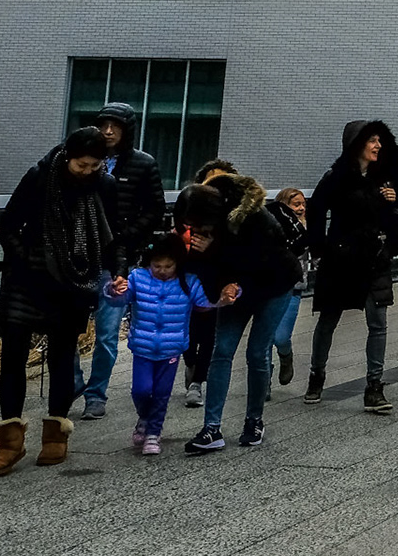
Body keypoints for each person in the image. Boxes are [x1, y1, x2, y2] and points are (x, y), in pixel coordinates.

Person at [0, 128, 124, 478]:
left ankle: (55, 434)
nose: (86, 171)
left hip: (74, 280)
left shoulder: (104, 186)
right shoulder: (40, 176)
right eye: (81, 165)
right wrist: (25, 260)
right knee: (13, 355)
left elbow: (114, 235)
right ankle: (9, 441)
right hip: (29, 277)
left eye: (94, 165)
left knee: (62, 355)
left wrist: (118, 271)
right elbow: (8, 225)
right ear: (68, 156)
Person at [177, 166, 301, 453]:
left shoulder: (254, 216)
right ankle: (211, 427)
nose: (195, 230)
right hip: (234, 286)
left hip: (274, 284)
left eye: (199, 225)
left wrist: (216, 253)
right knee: (222, 350)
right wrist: (219, 284)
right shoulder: (197, 219)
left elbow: (261, 260)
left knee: (257, 351)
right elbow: (201, 265)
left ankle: (254, 420)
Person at [65, 101, 165, 421]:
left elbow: (155, 209)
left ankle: (96, 394)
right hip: (78, 257)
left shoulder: (143, 164)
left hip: (117, 259)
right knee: (65, 327)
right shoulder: (80, 159)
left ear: (127, 131)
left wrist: (128, 236)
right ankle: (73, 381)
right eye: (104, 125)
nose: (108, 132)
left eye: (116, 127)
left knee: (107, 333)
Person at [304, 120, 398, 414]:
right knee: (328, 319)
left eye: (379, 141)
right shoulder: (336, 178)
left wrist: (393, 206)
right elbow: (316, 210)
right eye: (372, 140)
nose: (378, 146)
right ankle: (317, 375)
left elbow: (393, 218)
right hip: (341, 258)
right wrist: (320, 248)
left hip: (375, 258)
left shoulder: (384, 180)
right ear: (357, 144)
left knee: (378, 322)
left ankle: (374, 386)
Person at [124, 233, 219, 455]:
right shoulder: (138, 278)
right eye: (157, 266)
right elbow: (121, 298)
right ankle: (145, 417)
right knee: (140, 390)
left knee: (161, 393)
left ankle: (153, 433)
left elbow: (205, 303)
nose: (162, 270)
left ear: (178, 263)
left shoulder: (188, 282)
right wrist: (113, 290)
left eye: (168, 266)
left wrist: (224, 297)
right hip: (143, 347)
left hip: (171, 348)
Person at [179, 157, 238, 408]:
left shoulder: (234, 214)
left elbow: (237, 252)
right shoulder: (188, 205)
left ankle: (197, 382)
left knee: (208, 333)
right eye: (210, 179)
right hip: (187, 276)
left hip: (215, 279)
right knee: (187, 331)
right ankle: (190, 362)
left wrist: (213, 247)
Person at [267, 188, 309, 392]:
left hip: (293, 288)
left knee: (281, 336)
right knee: (265, 337)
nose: (301, 208)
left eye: (303, 204)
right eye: (296, 204)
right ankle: (263, 381)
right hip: (269, 287)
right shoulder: (271, 227)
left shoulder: (306, 229)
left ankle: (286, 355)